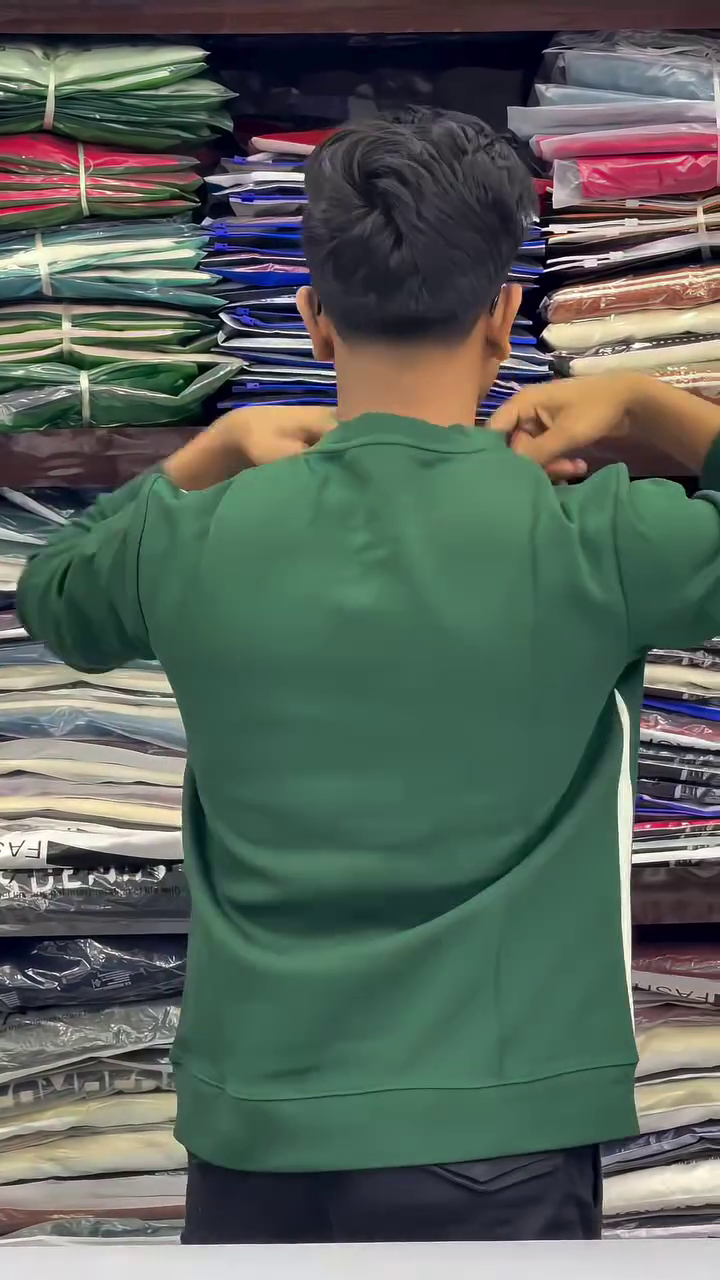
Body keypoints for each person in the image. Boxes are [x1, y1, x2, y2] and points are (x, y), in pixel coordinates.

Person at [16, 109, 720, 1245]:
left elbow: (59, 596)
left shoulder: (199, 532)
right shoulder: (592, 534)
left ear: (313, 319)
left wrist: (211, 450)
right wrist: (646, 405)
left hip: (255, 1129)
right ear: (504, 316)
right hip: (501, 1119)